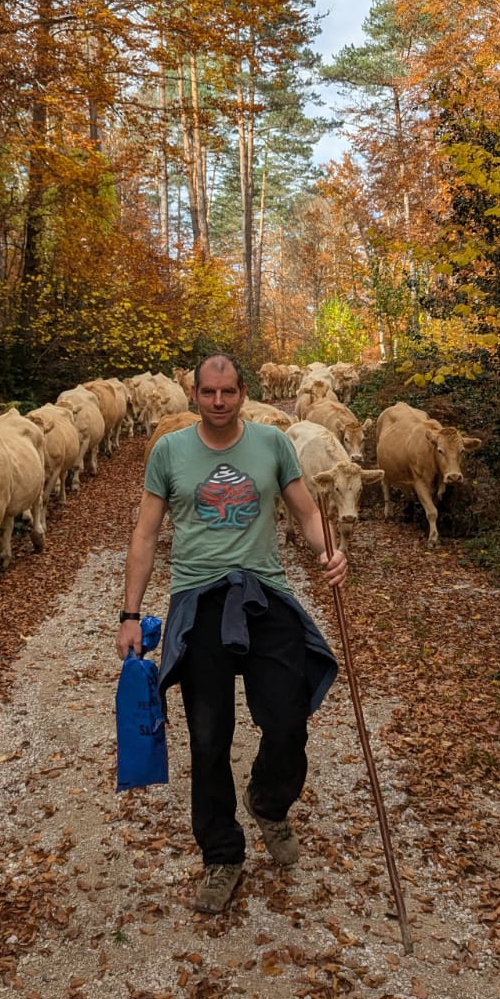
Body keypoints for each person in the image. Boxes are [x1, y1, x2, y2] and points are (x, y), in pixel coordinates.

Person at [116, 352, 347, 914]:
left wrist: (329, 550)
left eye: (228, 392)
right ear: (194, 394)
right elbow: (146, 535)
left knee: (288, 718)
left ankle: (269, 801)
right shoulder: (169, 451)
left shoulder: (272, 444)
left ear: (243, 392)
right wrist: (130, 613)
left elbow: (305, 512)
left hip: (263, 592)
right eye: (207, 393)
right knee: (209, 738)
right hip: (198, 601)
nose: (218, 402)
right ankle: (222, 854)